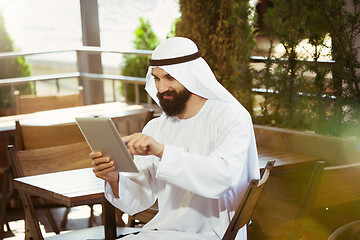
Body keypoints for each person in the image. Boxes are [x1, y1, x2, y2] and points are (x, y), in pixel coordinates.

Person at [90, 37, 260, 240]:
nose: (161, 88)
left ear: (191, 75)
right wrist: (114, 179)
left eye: (170, 77)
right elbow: (137, 200)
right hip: (164, 232)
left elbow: (222, 178)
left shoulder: (230, 117)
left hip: (213, 235)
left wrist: (161, 151)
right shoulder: (156, 127)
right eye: (157, 78)